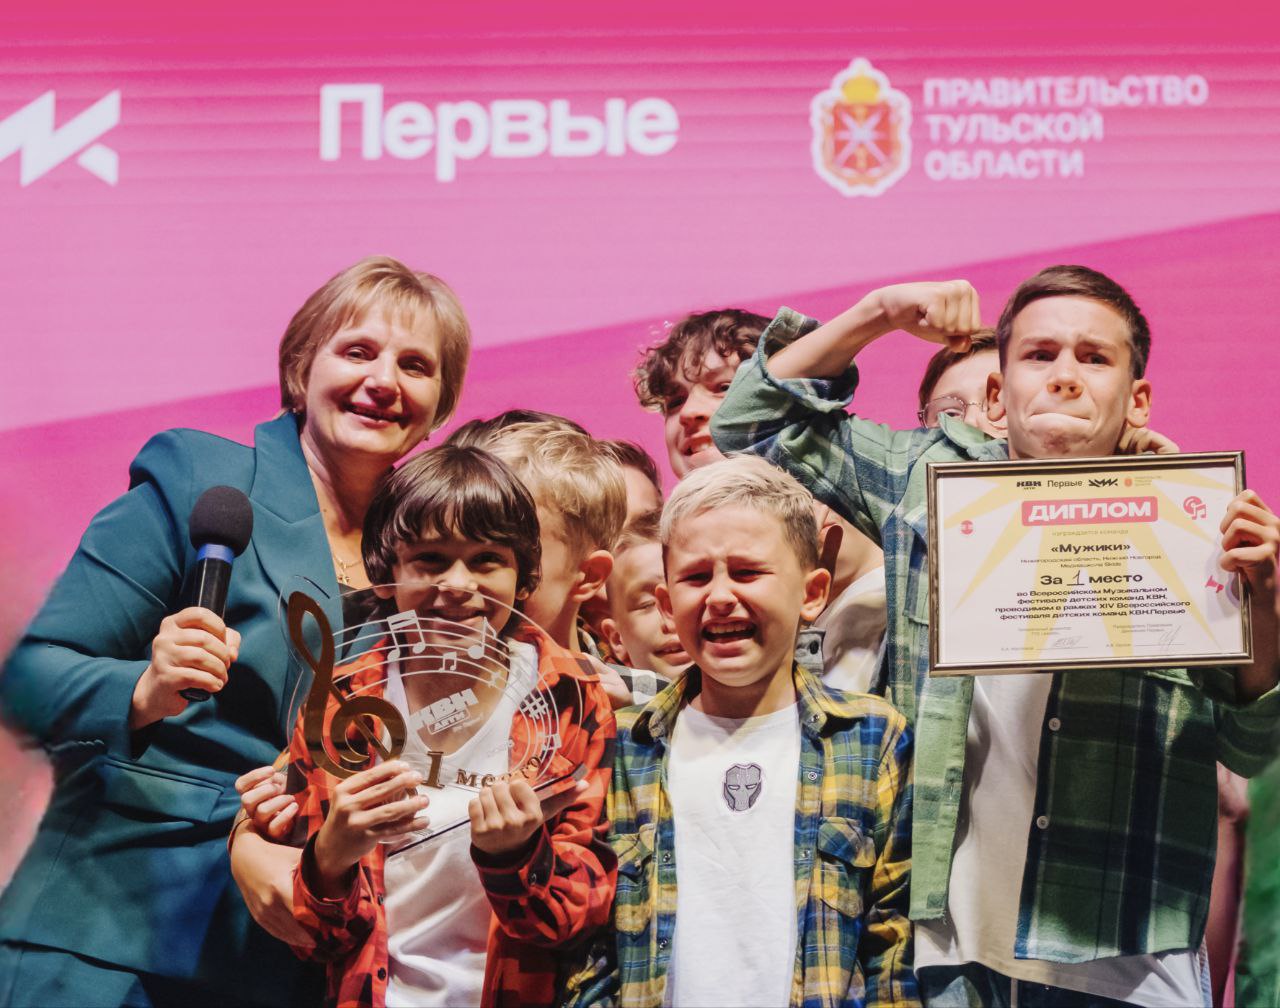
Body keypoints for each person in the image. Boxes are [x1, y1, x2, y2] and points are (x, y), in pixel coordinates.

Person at [712, 266, 1280, 1006]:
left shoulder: (1193, 521)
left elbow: (1250, 748)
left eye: (1094, 357)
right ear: (997, 394)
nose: (1065, 375)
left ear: (1137, 398)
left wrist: (1267, 605)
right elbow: (750, 424)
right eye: (1040, 355)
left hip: (1124, 955)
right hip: (943, 951)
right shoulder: (927, 479)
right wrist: (880, 311)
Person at [0, 256, 471, 1006]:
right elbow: (28, 677)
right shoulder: (199, 480)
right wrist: (143, 689)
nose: (384, 380)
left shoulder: (433, 557)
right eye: (358, 351)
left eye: (415, 365)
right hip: (114, 934)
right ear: (300, 369)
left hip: (290, 957)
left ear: (439, 405)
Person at [575, 456, 915, 1008]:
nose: (719, 596)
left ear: (812, 593)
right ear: (667, 605)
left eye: (748, 572)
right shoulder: (623, 744)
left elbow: (893, 942)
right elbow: (593, 951)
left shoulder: (873, 737)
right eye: (695, 577)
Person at [282, 444, 615, 1007]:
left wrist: (515, 857)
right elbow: (318, 940)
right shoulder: (339, 703)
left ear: (522, 578)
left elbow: (580, 914)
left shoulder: (569, 696)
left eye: (487, 559)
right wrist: (330, 856)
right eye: (431, 560)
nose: (459, 583)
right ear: (385, 576)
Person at [635, 308, 887, 693]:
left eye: (723, 387)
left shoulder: (898, 565)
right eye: (674, 401)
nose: (688, 413)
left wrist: (883, 310)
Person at [596, 508, 689, 702]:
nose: (669, 618)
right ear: (617, 639)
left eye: (682, 593)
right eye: (647, 604)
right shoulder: (611, 707)